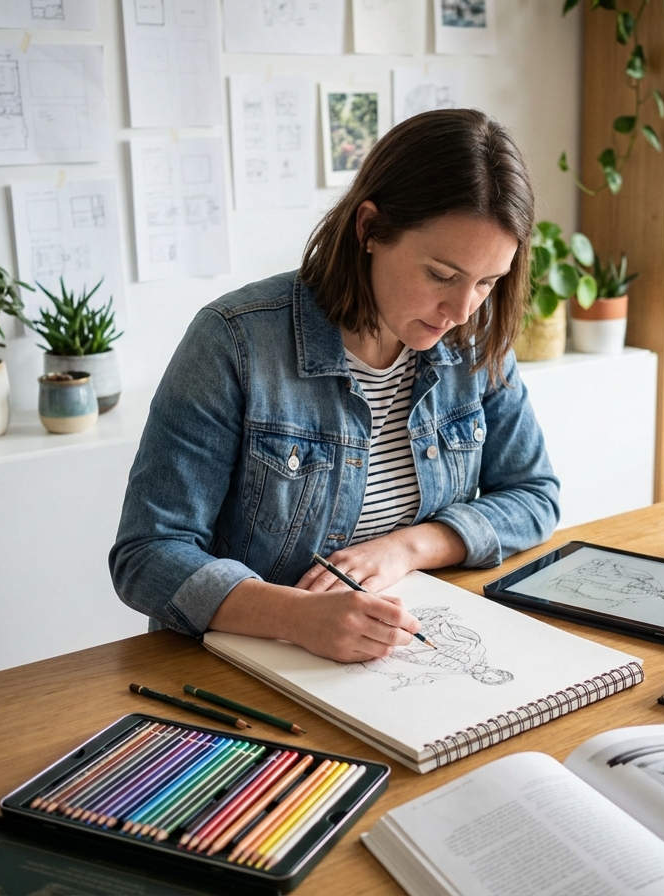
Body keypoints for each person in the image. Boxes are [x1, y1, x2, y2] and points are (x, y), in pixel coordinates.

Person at [109, 109, 559, 664]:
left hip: (398, 662)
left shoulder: (474, 339)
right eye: (441, 275)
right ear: (369, 229)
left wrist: (407, 549)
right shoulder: (234, 342)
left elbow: (534, 495)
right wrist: (296, 617)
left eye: (488, 282)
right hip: (241, 669)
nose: (461, 310)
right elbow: (148, 554)